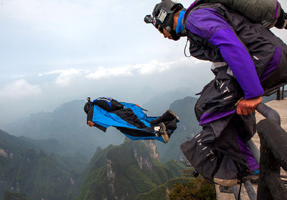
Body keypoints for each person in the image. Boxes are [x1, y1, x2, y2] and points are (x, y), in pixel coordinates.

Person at [145, 0, 287, 186]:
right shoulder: (196, 24)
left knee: (207, 106)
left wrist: (252, 93)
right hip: (269, 56)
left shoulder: (196, 18)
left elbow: (230, 45)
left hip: (265, 58)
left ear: (165, 19)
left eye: (160, 29)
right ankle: (248, 163)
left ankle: (245, 164)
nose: (163, 35)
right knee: (211, 102)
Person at [84, 97, 180, 143]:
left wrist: (89, 119)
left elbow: (92, 112)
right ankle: (167, 117)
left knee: (133, 133)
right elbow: (120, 103)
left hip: (122, 117)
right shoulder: (102, 101)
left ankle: (159, 130)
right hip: (127, 112)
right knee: (145, 124)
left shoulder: (94, 106)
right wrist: (134, 106)